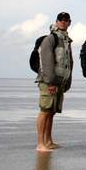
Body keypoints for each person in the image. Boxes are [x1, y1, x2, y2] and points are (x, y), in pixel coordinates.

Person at [35, 12, 73, 152]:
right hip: (48, 81)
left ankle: (48, 141)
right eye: (61, 20)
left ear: (69, 22)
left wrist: (67, 81)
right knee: (45, 111)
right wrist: (50, 82)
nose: (63, 22)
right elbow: (46, 62)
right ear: (56, 22)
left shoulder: (66, 40)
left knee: (52, 112)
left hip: (59, 82)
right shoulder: (51, 38)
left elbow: (68, 63)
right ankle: (40, 143)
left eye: (66, 20)